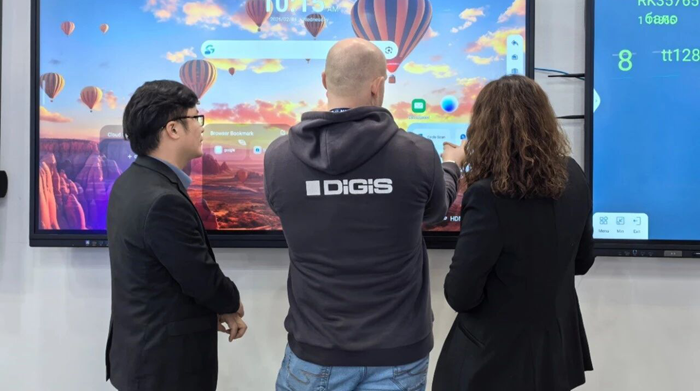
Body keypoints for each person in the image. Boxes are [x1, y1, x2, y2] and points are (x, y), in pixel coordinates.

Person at [264, 38, 462, 391]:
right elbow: (435, 213)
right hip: (399, 349)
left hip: (316, 348)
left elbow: (285, 209)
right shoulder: (418, 153)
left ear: (325, 80)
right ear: (377, 85)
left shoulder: (279, 156)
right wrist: (451, 166)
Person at [432, 75, 595, 391]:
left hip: (494, 362)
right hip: (555, 357)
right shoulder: (573, 174)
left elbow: (460, 294)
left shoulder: (487, 195)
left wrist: (454, 165)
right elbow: (583, 261)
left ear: (484, 129)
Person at [106, 80, 246, 391]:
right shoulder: (163, 200)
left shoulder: (130, 181)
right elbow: (200, 277)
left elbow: (161, 278)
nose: (201, 127)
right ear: (173, 129)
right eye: (196, 118)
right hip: (165, 370)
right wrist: (231, 302)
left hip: (140, 357)